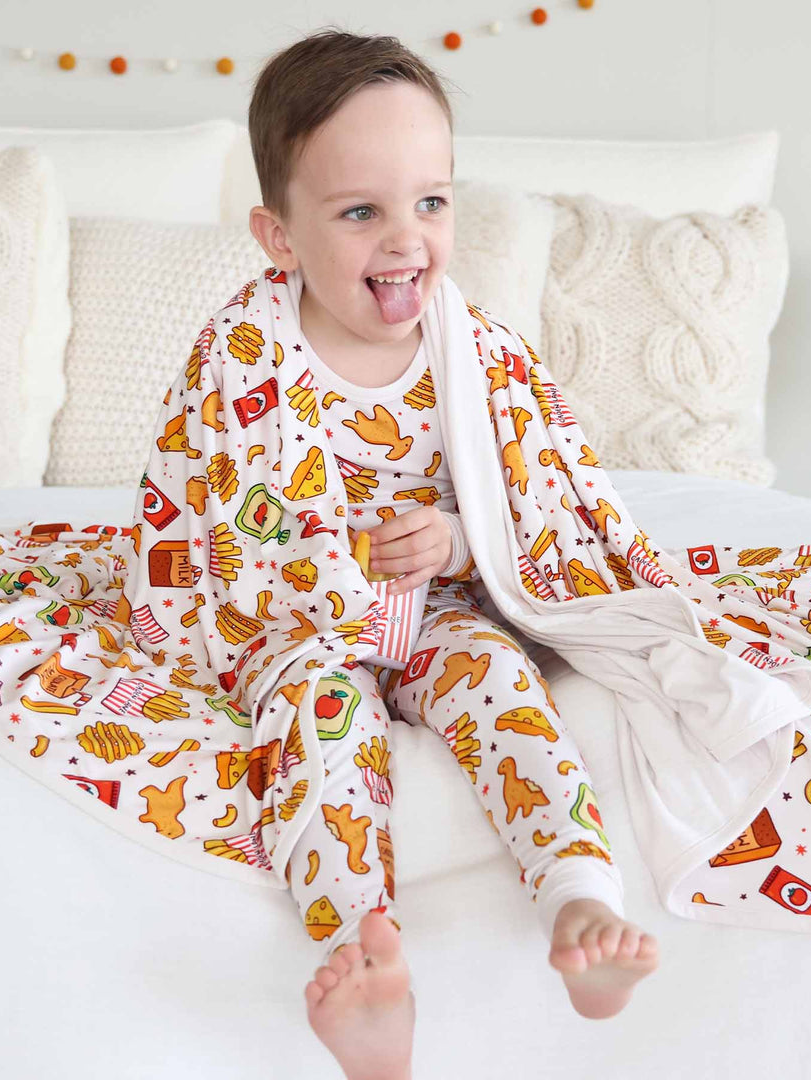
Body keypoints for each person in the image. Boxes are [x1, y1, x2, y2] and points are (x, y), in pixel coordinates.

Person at [244, 28, 660, 1078]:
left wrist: (461, 538)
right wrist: (325, 561)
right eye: (359, 211)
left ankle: (578, 900)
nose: (405, 240)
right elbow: (215, 512)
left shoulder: (477, 352)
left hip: (439, 611)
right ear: (278, 234)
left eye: (431, 202)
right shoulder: (242, 359)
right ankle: (363, 962)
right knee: (315, 728)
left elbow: (545, 500)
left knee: (500, 685)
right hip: (308, 629)